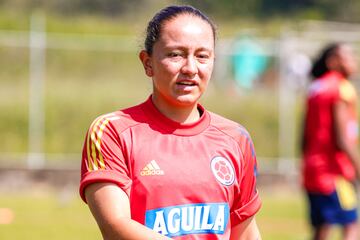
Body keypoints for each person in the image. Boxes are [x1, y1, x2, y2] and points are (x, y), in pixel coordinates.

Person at [79, 5, 262, 239]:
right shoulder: (112, 131)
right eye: (176, 54)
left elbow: (245, 233)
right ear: (148, 63)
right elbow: (115, 226)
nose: (190, 68)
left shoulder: (236, 138)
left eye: (202, 56)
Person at [301, 42, 360, 240]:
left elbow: (304, 135)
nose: (353, 61)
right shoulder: (340, 88)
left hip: (313, 169)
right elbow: (343, 138)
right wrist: (358, 168)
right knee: (351, 224)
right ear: (333, 62)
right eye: (348, 57)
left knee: (322, 226)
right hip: (335, 172)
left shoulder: (316, 88)